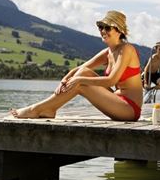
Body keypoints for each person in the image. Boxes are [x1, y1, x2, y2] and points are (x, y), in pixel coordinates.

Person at [10, 10, 143, 121]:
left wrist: (78, 80)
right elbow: (81, 68)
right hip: (116, 100)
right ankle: (49, 108)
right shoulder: (108, 52)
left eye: (107, 27)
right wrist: (64, 80)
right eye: (100, 27)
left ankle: (36, 109)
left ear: (119, 31)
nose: (103, 31)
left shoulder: (126, 49)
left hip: (129, 109)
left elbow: (111, 80)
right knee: (83, 72)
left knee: (80, 81)